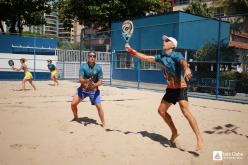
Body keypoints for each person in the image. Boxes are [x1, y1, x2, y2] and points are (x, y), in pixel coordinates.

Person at [125, 35, 204, 151]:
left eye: (167, 40)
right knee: (161, 111)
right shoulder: (161, 56)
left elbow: (183, 62)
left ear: (172, 45)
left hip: (180, 87)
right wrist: (131, 51)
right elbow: (146, 58)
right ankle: (174, 132)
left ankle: (199, 138)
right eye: (164, 40)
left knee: (186, 112)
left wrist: (187, 69)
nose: (164, 41)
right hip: (170, 89)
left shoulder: (176, 55)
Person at [71, 51, 106, 128]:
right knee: (73, 104)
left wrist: (94, 85)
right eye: (90, 56)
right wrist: (87, 80)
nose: (92, 57)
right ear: (88, 57)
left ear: (95, 58)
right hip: (83, 89)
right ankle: (75, 117)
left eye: (94, 56)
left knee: (99, 106)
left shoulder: (98, 68)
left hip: (93, 90)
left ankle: (104, 124)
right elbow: (80, 79)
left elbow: (100, 82)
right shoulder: (83, 66)